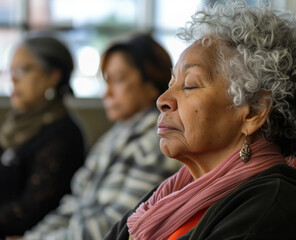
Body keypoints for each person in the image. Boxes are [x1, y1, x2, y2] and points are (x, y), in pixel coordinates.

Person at [104, 1, 296, 240]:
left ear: (254, 112)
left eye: (190, 85)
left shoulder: (271, 211)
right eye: (171, 84)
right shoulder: (174, 192)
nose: (163, 100)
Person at [17, 33, 182, 240]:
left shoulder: (158, 142)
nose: (107, 93)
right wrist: (32, 237)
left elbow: (118, 223)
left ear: (151, 82)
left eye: (118, 80)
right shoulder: (114, 136)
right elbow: (74, 205)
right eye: (106, 81)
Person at [0, 34, 86, 237]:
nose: (13, 78)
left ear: (52, 76)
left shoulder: (63, 133)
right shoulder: (16, 124)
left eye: (23, 69)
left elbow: (31, 212)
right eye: (11, 70)